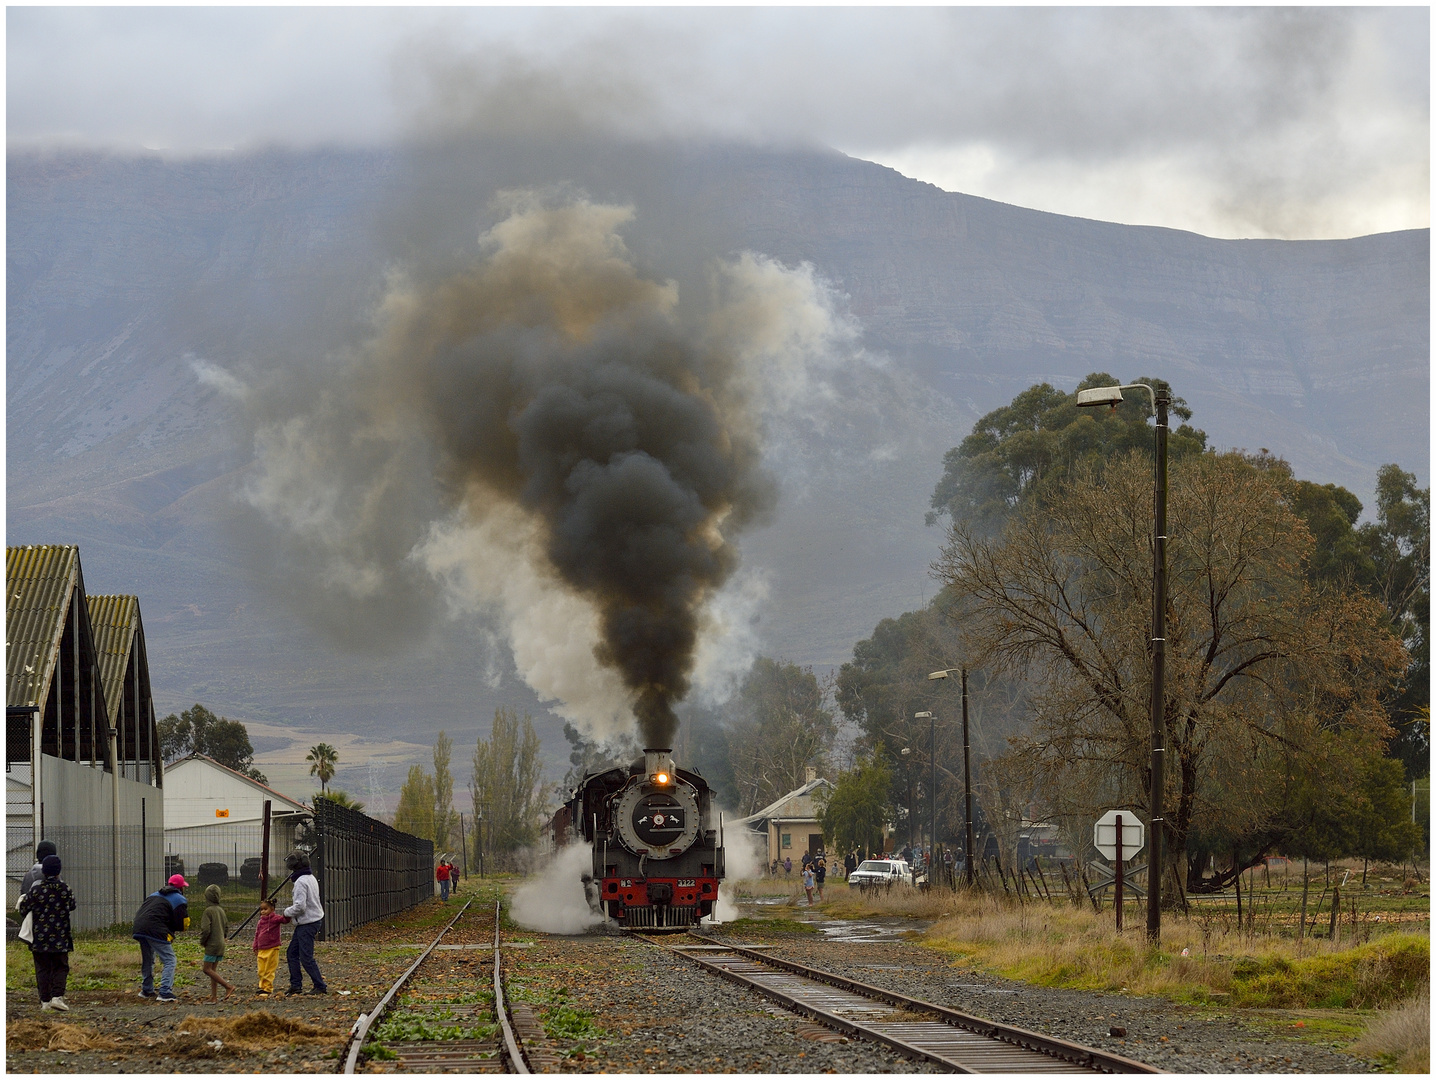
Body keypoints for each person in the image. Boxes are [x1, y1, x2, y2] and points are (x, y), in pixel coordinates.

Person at [18, 854, 75, 1012]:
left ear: (43, 871)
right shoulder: (65, 889)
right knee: (60, 967)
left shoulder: (36, 890)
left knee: (42, 968)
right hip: (60, 937)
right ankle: (57, 997)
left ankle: (45, 1001)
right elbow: (72, 905)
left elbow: (23, 908)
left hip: (40, 938)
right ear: (58, 871)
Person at [133, 874, 189, 1003]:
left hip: (139, 928)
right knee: (170, 960)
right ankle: (165, 992)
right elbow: (182, 923)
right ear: (181, 888)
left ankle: (146, 990)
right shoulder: (179, 899)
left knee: (148, 959)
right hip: (155, 929)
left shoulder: (154, 895)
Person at [283, 851, 328, 995]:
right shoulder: (310, 877)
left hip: (307, 923)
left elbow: (300, 906)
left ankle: (319, 985)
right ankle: (296, 985)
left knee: (306, 957)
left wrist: (286, 913)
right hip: (311, 921)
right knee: (292, 953)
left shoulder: (301, 882)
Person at [198, 884, 235, 1003]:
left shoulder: (208, 911)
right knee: (213, 971)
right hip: (221, 944)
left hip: (212, 944)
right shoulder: (221, 910)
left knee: (206, 969)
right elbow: (226, 927)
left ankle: (228, 986)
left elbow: (206, 929)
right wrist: (223, 938)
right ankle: (214, 997)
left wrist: (203, 941)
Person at [252, 897, 289, 997]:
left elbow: (285, 920)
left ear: (272, 909)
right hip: (261, 949)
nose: (263, 911)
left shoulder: (275, 918)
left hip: (272, 948)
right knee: (261, 969)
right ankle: (262, 986)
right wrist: (255, 946)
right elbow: (257, 934)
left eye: (265, 909)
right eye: (261, 909)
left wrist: (288, 913)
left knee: (269, 969)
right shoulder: (261, 921)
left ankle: (268, 988)